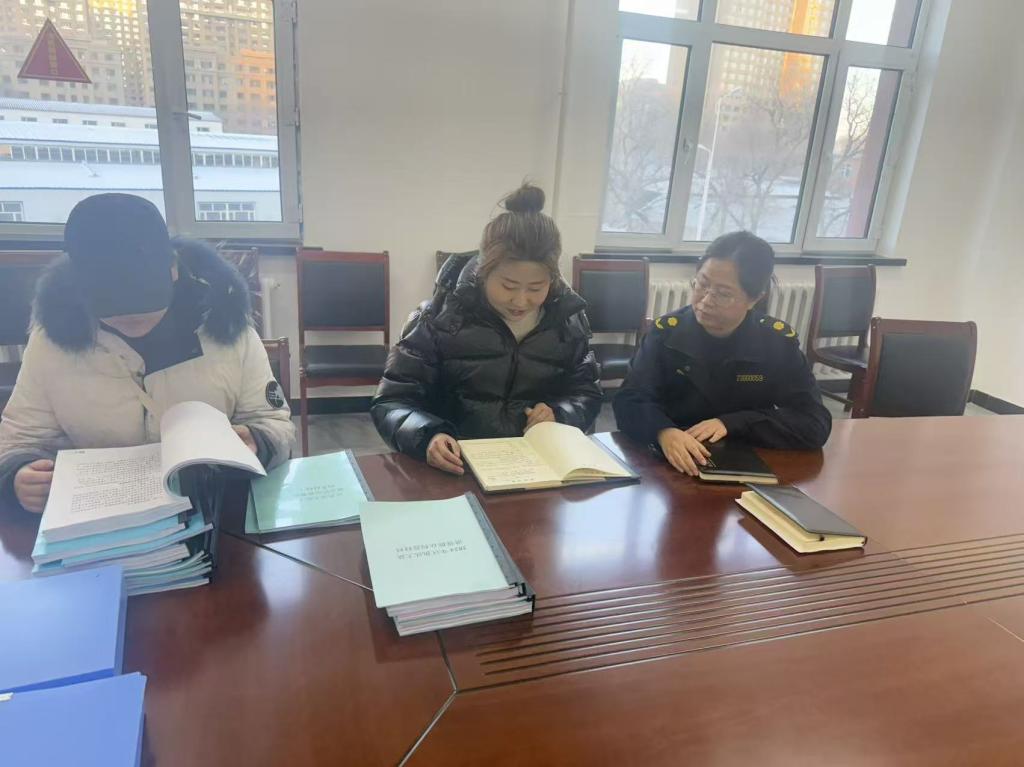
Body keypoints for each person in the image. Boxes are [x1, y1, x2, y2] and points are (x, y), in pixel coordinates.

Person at [0, 193, 294, 513]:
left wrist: (257, 441)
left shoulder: (227, 328)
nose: (132, 319)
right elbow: (19, 439)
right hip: (98, 514)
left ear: (173, 269)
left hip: (213, 506)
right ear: (78, 286)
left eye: (145, 304)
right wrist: (19, 475)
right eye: (113, 309)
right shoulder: (51, 342)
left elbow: (273, 423)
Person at [372, 183, 602, 474]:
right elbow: (392, 401)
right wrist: (427, 436)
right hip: (457, 467)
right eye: (508, 286)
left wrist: (560, 413)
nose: (521, 300)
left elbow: (586, 392)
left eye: (536, 288)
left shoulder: (568, 322)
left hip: (535, 468)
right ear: (484, 271)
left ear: (553, 279)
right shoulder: (438, 319)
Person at [613, 231, 831, 476]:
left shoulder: (775, 344)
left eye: (723, 294)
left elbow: (814, 422)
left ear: (754, 299)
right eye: (702, 284)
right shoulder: (665, 335)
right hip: (672, 462)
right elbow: (629, 401)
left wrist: (734, 423)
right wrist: (663, 432)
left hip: (744, 464)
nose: (706, 300)